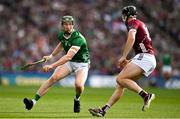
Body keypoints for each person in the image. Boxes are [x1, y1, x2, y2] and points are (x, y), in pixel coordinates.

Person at [88, 5, 156, 117]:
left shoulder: (132, 23)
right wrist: (131, 60)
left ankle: (145, 95)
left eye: (124, 15)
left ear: (127, 15)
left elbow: (132, 38)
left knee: (120, 78)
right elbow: (143, 45)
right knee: (121, 84)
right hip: (146, 57)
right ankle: (103, 110)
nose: (123, 17)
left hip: (145, 57)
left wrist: (123, 56)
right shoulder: (140, 23)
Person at [23, 15, 90, 113]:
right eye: (66, 24)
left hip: (82, 64)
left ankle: (77, 99)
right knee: (53, 78)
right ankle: (33, 102)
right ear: (62, 25)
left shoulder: (78, 38)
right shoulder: (61, 34)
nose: (68, 26)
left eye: (70, 24)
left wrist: (52, 65)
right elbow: (61, 45)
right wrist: (51, 55)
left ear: (73, 25)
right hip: (70, 63)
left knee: (79, 85)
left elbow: (68, 56)